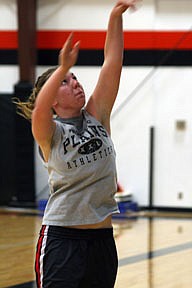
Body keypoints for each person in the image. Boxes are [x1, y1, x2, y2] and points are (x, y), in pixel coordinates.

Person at [15, 0, 139, 287]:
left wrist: (115, 16)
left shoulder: (97, 115)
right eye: (65, 82)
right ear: (54, 100)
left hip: (101, 241)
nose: (75, 83)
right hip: (62, 240)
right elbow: (38, 110)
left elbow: (112, 62)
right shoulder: (49, 132)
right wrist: (62, 67)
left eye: (75, 78)